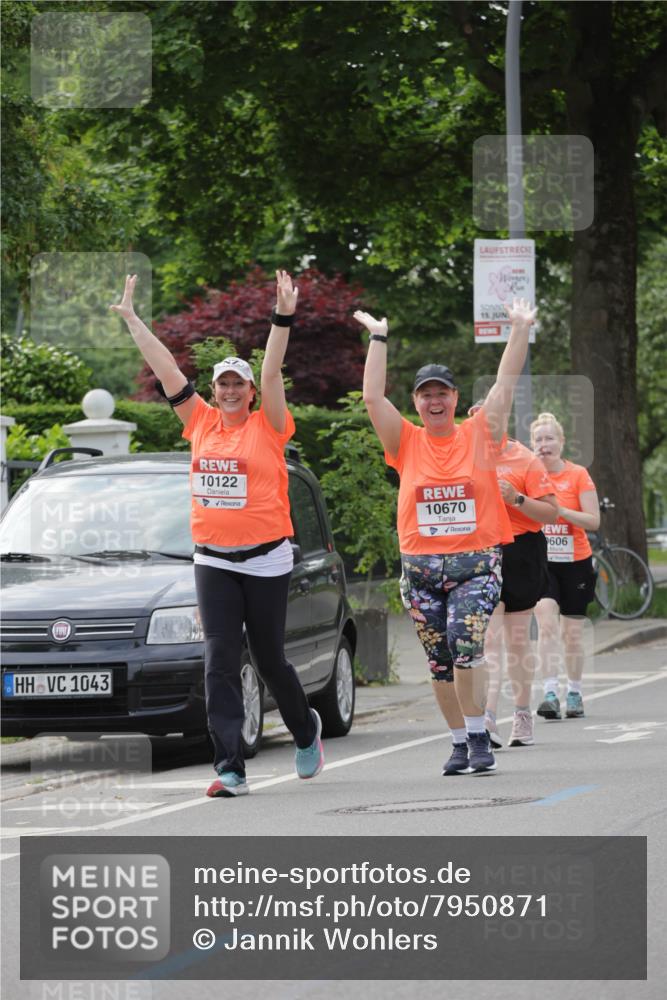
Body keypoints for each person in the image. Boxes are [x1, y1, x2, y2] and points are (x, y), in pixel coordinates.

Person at [110, 270, 323, 797]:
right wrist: (134, 320)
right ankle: (230, 766)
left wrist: (282, 317)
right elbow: (166, 370)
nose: (230, 391)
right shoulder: (199, 421)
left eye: (238, 384)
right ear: (214, 390)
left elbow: (273, 370)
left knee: (270, 659)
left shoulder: (269, 425)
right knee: (220, 658)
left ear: (250, 393)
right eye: (223, 383)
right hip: (214, 560)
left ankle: (305, 730)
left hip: (267, 558)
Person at [356, 298, 536, 776]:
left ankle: (479, 734)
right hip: (419, 567)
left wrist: (519, 328)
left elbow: (505, 383)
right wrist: (378, 337)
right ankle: (461, 742)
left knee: (465, 644)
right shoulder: (405, 442)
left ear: (455, 398)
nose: (434, 402)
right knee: (439, 661)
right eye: (425, 396)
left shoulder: (480, 433)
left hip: (474, 564)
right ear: (416, 402)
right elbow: (373, 398)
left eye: (442, 394)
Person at [467, 400, 558, 749]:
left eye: (492, 418)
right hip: (481, 551)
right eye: (477, 420)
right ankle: (488, 716)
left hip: (521, 550)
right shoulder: (464, 458)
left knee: (517, 640)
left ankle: (522, 712)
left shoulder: (525, 459)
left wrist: (517, 498)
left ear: (504, 419)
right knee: (489, 640)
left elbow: (551, 513)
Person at [530, 412, 600, 720]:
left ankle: (574, 691)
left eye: (549, 439)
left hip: (576, 562)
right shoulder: (528, 475)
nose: (544, 445)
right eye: (539, 440)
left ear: (561, 442)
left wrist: (559, 512)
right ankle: (548, 692)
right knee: (546, 627)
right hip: (542, 563)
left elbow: (594, 521)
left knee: (571, 633)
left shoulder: (578, 475)